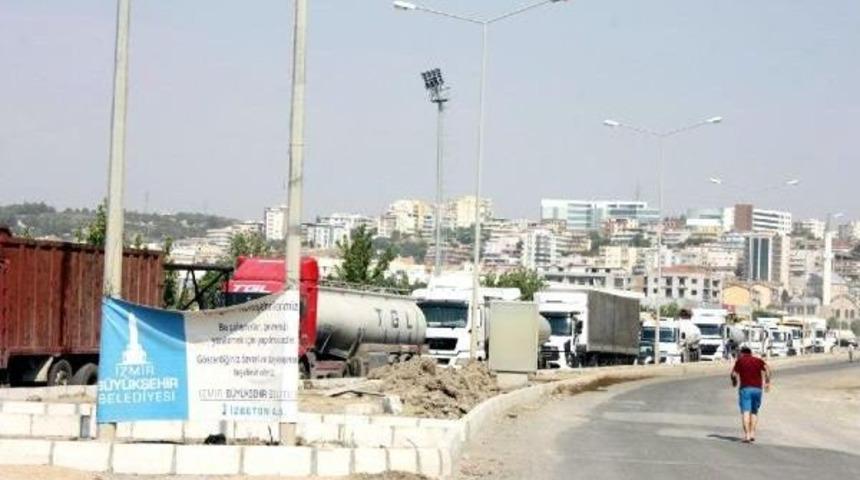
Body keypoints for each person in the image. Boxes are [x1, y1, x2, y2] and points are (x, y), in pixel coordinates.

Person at [731, 346, 771, 443]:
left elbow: (733, 374)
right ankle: (753, 433)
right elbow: (767, 369)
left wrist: (734, 381)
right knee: (754, 412)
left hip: (745, 389)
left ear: (742, 353)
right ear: (750, 353)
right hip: (757, 389)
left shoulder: (740, 361)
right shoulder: (758, 360)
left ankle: (747, 435)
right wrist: (767, 382)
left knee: (745, 412)